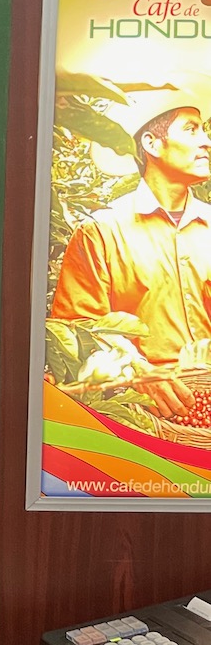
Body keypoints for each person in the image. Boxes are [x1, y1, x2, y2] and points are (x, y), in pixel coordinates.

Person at [52, 84, 211, 417]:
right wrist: (138, 370)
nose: (205, 142)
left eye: (204, 130)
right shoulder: (101, 232)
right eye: (190, 129)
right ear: (151, 144)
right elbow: (75, 331)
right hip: (145, 418)